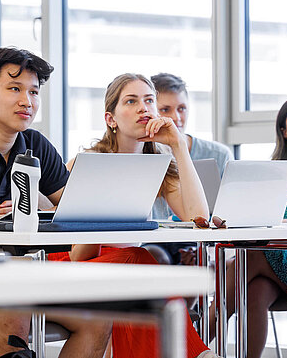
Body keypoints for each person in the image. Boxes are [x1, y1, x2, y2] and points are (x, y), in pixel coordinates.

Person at [0, 47, 112, 358]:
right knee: (14, 314)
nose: (28, 101)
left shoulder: (35, 143)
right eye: (15, 89)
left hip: (15, 280)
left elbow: (74, 210)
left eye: (34, 91)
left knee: (98, 318)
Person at [47, 73, 217, 358]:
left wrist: (177, 146)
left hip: (123, 268)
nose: (144, 108)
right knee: (141, 260)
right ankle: (199, 355)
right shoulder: (87, 162)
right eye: (132, 101)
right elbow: (79, 254)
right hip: (72, 262)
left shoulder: (159, 163)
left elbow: (198, 217)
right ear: (111, 119)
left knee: (138, 266)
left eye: (149, 100)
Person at [208, 95, 287, 357]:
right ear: (284, 132)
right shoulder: (274, 174)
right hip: (280, 267)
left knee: (249, 260)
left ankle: (197, 342)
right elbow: (256, 219)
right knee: (255, 291)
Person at [144, 73, 233, 266]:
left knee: (199, 255)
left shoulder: (218, 153)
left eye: (182, 109)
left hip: (203, 237)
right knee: (153, 255)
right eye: (165, 109)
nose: (176, 117)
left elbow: (229, 209)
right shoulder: (144, 154)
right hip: (157, 240)